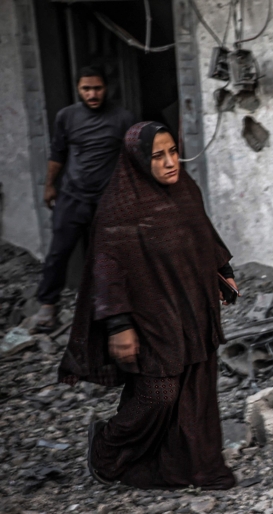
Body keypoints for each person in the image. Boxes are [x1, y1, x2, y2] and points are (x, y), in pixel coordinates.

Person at [59, 121, 239, 490]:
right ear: (139, 159)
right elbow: (107, 270)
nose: (171, 162)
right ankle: (106, 447)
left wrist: (223, 269)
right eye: (158, 156)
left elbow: (202, 232)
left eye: (173, 151)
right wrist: (118, 325)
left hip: (193, 304)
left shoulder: (186, 188)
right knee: (160, 392)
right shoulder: (120, 207)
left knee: (196, 389)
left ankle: (194, 466)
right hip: (151, 314)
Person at [34, 65, 135, 331]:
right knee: (58, 252)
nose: (92, 94)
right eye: (86, 89)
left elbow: (133, 158)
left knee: (108, 254)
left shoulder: (123, 118)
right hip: (71, 196)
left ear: (106, 88)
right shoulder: (67, 116)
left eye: (97, 88)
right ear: (78, 89)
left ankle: (111, 309)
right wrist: (49, 186)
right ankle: (48, 305)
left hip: (106, 200)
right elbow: (58, 153)